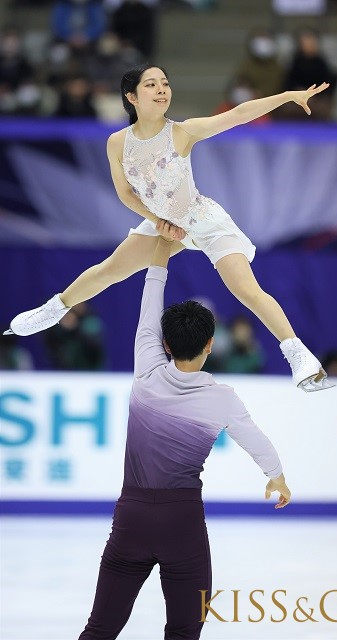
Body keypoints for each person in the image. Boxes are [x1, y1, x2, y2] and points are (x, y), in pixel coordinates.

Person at [3, 63, 334, 392]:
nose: (161, 89)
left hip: (202, 220)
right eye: (151, 85)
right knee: (110, 270)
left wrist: (288, 95)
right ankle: (53, 309)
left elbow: (238, 115)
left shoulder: (182, 132)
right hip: (164, 223)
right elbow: (125, 193)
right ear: (131, 96)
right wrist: (158, 220)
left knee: (245, 289)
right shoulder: (117, 143)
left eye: (165, 83)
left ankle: (298, 354)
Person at [77, 231, 291, 639]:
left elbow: (149, 299)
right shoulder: (222, 399)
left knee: (100, 629)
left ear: (164, 344)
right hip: (183, 524)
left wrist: (161, 243)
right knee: (184, 631)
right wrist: (276, 476)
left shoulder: (147, 369)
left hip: (132, 518)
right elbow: (257, 441)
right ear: (211, 345)